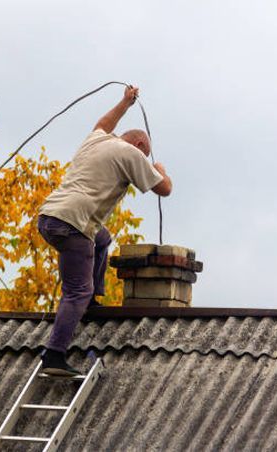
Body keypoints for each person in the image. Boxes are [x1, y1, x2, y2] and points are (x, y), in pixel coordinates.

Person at [37, 85, 173, 376]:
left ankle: (92, 299)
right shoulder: (131, 153)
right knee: (76, 291)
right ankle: (54, 356)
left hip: (50, 217)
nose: (143, 159)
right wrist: (160, 168)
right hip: (75, 225)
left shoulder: (97, 139)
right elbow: (164, 189)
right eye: (144, 154)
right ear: (139, 147)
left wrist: (125, 103)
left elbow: (103, 123)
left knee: (103, 237)